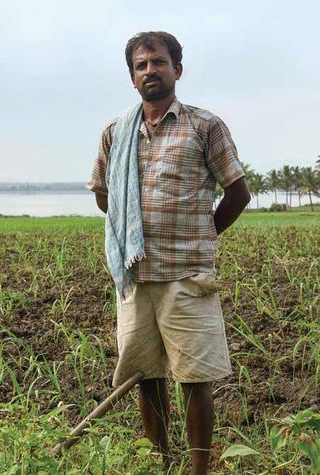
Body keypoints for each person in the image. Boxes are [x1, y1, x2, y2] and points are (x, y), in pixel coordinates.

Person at [86, 31, 250, 474]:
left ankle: (198, 469)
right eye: (140, 65)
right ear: (131, 77)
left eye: (158, 62)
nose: (149, 71)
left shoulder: (204, 126)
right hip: (135, 277)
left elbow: (238, 193)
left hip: (187, 276)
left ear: (177, 69)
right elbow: (104, 196)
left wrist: (205, 234)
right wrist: (130, 224)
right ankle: (158, 462)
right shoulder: (115, 133)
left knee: (195, 379)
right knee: (146, 375)